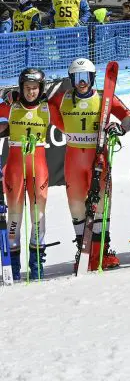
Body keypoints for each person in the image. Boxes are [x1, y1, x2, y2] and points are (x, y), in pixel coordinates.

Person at [48, 58, 130, 270]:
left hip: (99, 157)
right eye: (77, 78)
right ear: (71, 79)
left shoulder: (103, 98)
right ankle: (83, 251)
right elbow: (43, 106)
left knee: (102, 206)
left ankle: (102, 251)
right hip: (73, 159)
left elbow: (128, 116)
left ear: (92, 78)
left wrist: (120, 128)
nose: (81, 82)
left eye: (85, 77)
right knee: (76, 206)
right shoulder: (62, 98)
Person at [0, 69, 62, 280]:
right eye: (27, 88)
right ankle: (14, 267)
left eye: (35, 88)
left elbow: (71, 126)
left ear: (41, 89)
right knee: (14, 217)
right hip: (15, 168)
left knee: (38, 216)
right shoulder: (11, 106)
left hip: (38, 167)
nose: (31, 92)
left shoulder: (47, 108)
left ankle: (36, 266)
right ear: (21, 87)